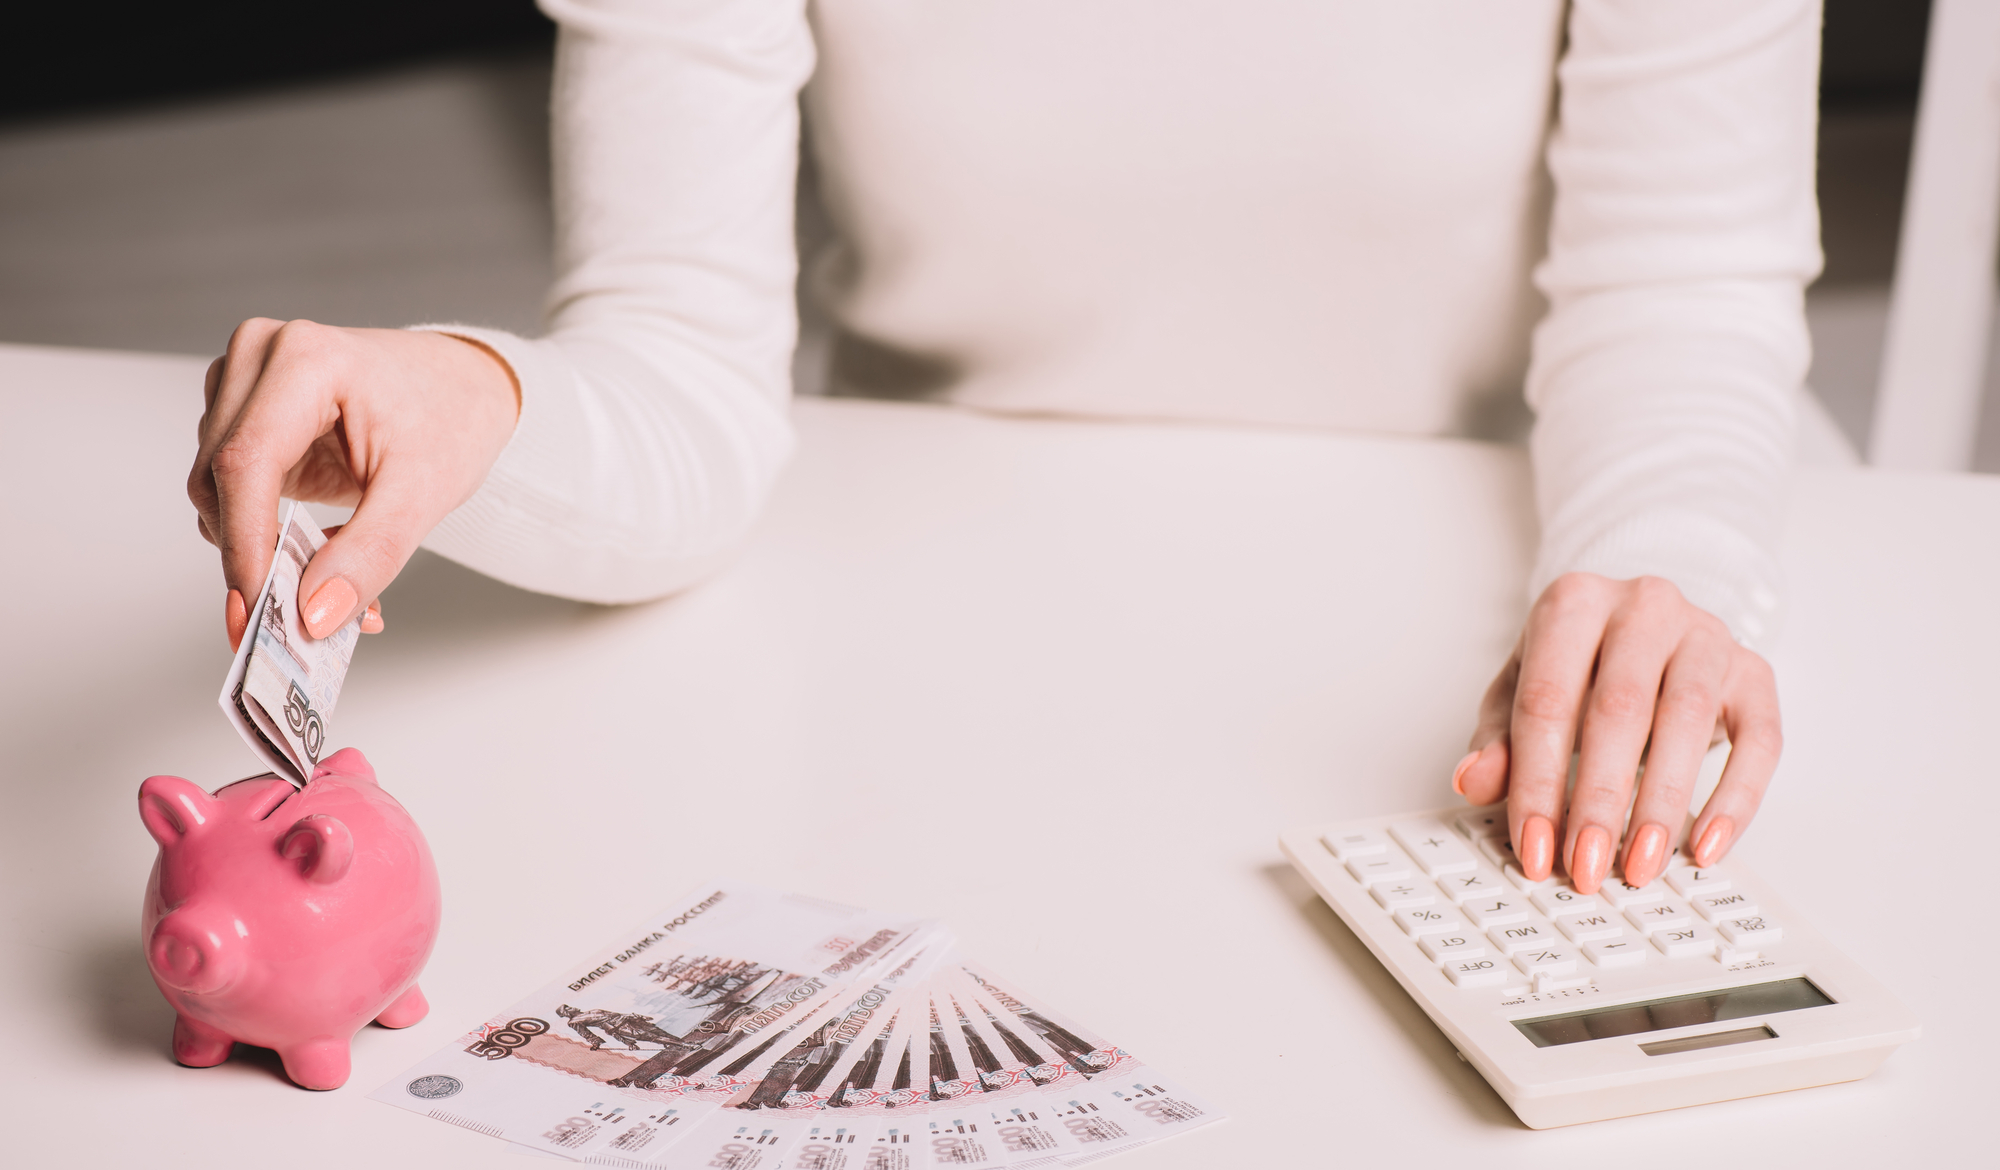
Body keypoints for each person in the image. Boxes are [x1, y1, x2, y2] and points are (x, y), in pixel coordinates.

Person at [187, 0, 1808, 896]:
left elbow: (1683, 282)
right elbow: (678, 355)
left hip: (1460, 622)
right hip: (917, 654)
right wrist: (481, 399)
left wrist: (1660, 563)